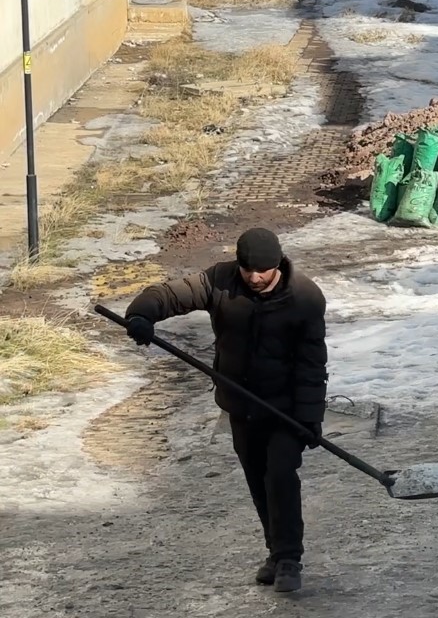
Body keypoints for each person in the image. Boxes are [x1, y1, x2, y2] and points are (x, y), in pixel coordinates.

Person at [121, 227, 328, 593]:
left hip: (285, 409)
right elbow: (170, 294)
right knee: (258, 479)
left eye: (261, 270)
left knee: (280, 476)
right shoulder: (221, 280)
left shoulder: (305, 298)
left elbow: (312, 365)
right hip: (240, 405)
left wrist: (310, 417)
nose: (253, 277)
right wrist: (141, 314)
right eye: (247, 269)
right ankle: (275, 554)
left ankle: (289, 559)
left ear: (278, 264)